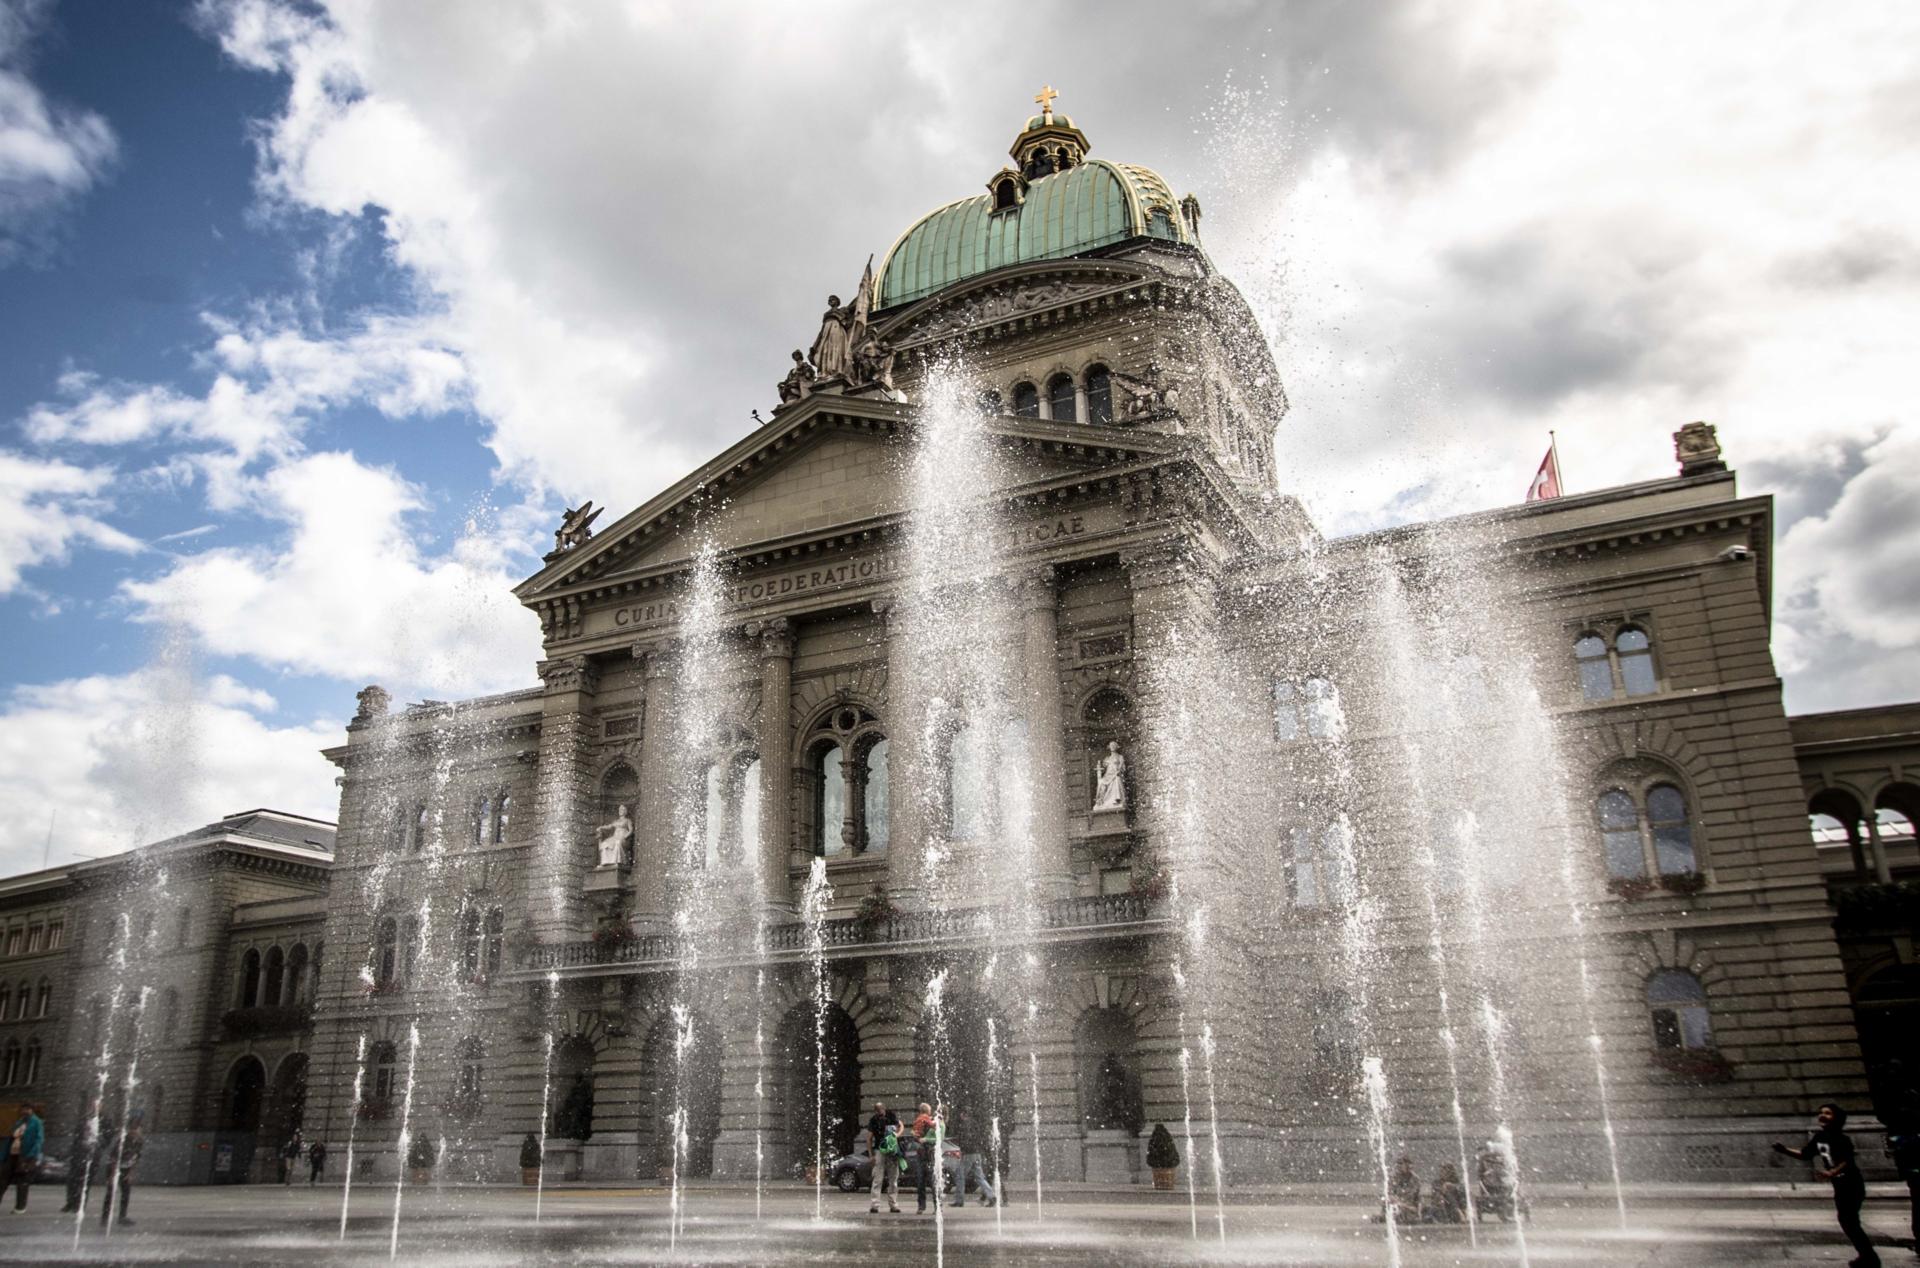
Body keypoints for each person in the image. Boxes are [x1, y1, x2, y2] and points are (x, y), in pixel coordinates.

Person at [1775, 1103, 1880, 1267]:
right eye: (1821, 1113)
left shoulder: (1841, 1138)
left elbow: (1847, 1161)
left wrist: (1831, 1173)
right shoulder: (1819, 1137)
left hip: (1852, 1183)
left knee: (1849, 1221)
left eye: (1828, 1113)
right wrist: (1784, 1150)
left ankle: (1869, 1257)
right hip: (1840, 1185)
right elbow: (1805, 1154)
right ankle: (1867, 1255)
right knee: (1848, 1221)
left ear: (1837, 1118)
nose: (1822, 1116)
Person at [99, 1111, 142, 1227]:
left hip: (126, 1169)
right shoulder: (122, 1141)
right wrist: (113, 1174)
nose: (136, 1131)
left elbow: (137, 1158)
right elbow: (114, 1158)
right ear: (130, 1130)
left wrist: (131, 1173)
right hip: (114, 1168)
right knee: (110, 1193)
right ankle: (105, 1218)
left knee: (126, 1192)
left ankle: (122, 1217)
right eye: (134, 1129)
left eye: (137, 1129)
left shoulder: (139, 1141)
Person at [949, 1109, 997, 1209]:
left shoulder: (965, 1125)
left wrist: (962, 1148)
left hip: (968, 1153)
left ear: (964, 1114)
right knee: (980, 1177)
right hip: (977, 1153)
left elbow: (965, 1139)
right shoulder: (975, 1124)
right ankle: (991, 1196)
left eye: (961, 1114)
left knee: (960, 1176)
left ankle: (959, 1200)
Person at [1, 1103, 43, 1212]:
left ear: (31, 1110)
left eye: (27, 1109)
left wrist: (31, 1155)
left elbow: (39, 1140)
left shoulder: (36, 1123)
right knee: (2, 1179)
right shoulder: (19, 1122)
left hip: (25, 1156)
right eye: (23, 1109)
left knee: (22, 1182)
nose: (24, 1111)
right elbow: (10, 1138)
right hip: (12, 1155)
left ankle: (20, 1207)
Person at [61, 1100, 99, 1213]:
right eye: (92, 1106)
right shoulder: (83, 1119)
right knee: (72, 1180)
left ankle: (80, 1205)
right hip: (78, 1154)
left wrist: (98, 1145)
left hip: (92, 1155)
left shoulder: (103, 1121)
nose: (93, 1108)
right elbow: (76, 1136)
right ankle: (70, 1202)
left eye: (96, 1106)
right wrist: (73, 1150)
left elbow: (108, 1136)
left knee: (85, 1181)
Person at [864, 1101, 900, 1214]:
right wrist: (871, 1155)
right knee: (878, 1178)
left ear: (884, 1108)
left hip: (891, 1150)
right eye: (878, 1111)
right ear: (876, 1111)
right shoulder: (874, 1120)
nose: (880, 1113)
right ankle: (875, 1205)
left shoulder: (891, 1115)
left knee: (893, 1178)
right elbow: (869, 1138)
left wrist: (897, 1135)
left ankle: (892, 1204)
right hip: (880, 1150)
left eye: (881, 1110)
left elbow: (900, 1126)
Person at [912, 1103, 942, 1215]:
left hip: (921, 1154)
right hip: (928, 1154)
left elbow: (915, 1135)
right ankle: (937, 1207)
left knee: (921, 1182)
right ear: (927, 1111)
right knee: (933, 1182)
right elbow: (934, 1126)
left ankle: (921, 1206)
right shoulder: (925, 1118)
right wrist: (936, 1122)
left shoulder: (917, 1119)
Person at [1386, 1154, 1420, 1225]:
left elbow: (1415, 1197)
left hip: (1409, 1205)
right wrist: (1403, 1205)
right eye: (1398, 1164)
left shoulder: (1415, 1179)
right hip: (1398, 1205)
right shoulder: (1393, 1177)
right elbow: (1391, 1196)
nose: (1399, 1166)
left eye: (1402, 1164)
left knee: (1412, 1217)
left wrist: (1416, 1209)